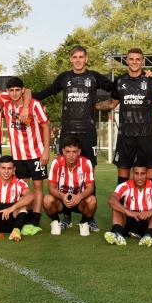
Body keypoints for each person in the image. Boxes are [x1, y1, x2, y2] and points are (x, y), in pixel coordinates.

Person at [32, 45, 115, 232]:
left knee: (89, 173)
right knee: (65, 171)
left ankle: (89, 218)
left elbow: (116, 88)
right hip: (68, 132)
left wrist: (104, 104)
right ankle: (67, 216)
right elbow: (46, 92)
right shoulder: (64, 77)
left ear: (86, 58)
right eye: (75, 57)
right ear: (71, 59)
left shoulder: (94, 77)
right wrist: (27, 95)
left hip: (88, 132)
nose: (78, 60)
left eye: (81, 57)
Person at [96, 48, 152, 183]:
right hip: (125, 135)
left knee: (150, 174)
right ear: (127, 61)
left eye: (138, 59)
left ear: (142, 61)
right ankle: (122, 198)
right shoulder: (119, 81)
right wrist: (91, 105)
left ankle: (150, 198)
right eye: (131, 59)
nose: (134, 62)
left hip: (147, 135)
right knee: (123, 176)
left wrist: (151, 115)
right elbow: (111, 104)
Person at [2, 76, 51, 232]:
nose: (15, 93)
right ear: (7, 91)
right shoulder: (6, 106)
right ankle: (26, 215)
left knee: (38, 186)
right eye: (11, 90)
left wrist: (46, 150)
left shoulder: (34, 105)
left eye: (18, 90)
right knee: (24, 188)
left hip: (36, 153)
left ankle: (35, 218)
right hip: (18, 155)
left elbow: (46, 126)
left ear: (22, 90)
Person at [104, 163, 152, 247]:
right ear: (132, 173)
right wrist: (128, 212)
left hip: (147, 222)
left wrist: (150, 212)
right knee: (116, 208)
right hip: (129, 220)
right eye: (136, 173)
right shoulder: (125, 185)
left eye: (142, 173)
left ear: (147, 173)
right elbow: (111, 200)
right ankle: (117, 234)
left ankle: (148, 235)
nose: (139, 177)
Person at [45, 136, 97, 236]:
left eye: (74, 151)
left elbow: (91, 188)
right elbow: (51, 188)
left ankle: (83, 223)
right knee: (47, 199)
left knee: (92, 200)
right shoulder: (56, 163)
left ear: (79, 152)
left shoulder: (86, 163)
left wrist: (79, 197)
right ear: (63, 151)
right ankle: (56, 222)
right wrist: (62, 196)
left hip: (79, 201)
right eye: (68, 151)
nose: (71, 155)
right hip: (61, 200)